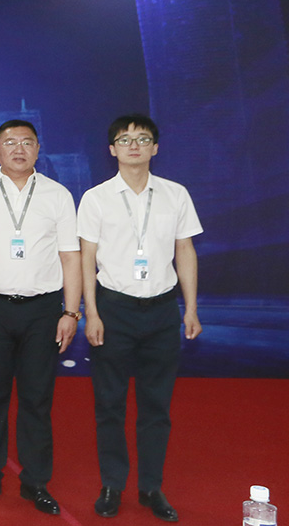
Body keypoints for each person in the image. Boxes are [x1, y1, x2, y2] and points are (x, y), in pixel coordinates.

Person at [0, 119, 81, 516]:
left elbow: (70, 257)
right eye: (10, 142)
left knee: (36, 398)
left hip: (43, 310)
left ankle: (35, 482)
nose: (19, 149)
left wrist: (71, 311)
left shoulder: (58, 196)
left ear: (38, 149)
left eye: (27, 142)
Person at [77, 114, 201, 522]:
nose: (134, 145)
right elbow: (87, 258)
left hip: (162, 310)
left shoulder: (175, 194)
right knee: (110, 404)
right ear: (112, 149)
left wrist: (190, 308)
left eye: (143, 138)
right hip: (113, 309)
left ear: (155, 147)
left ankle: (151, 487)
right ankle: (112, 484)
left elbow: (185, 251)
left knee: (156, 405)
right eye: (125, 139)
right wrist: (91, 312)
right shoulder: (96, 198)